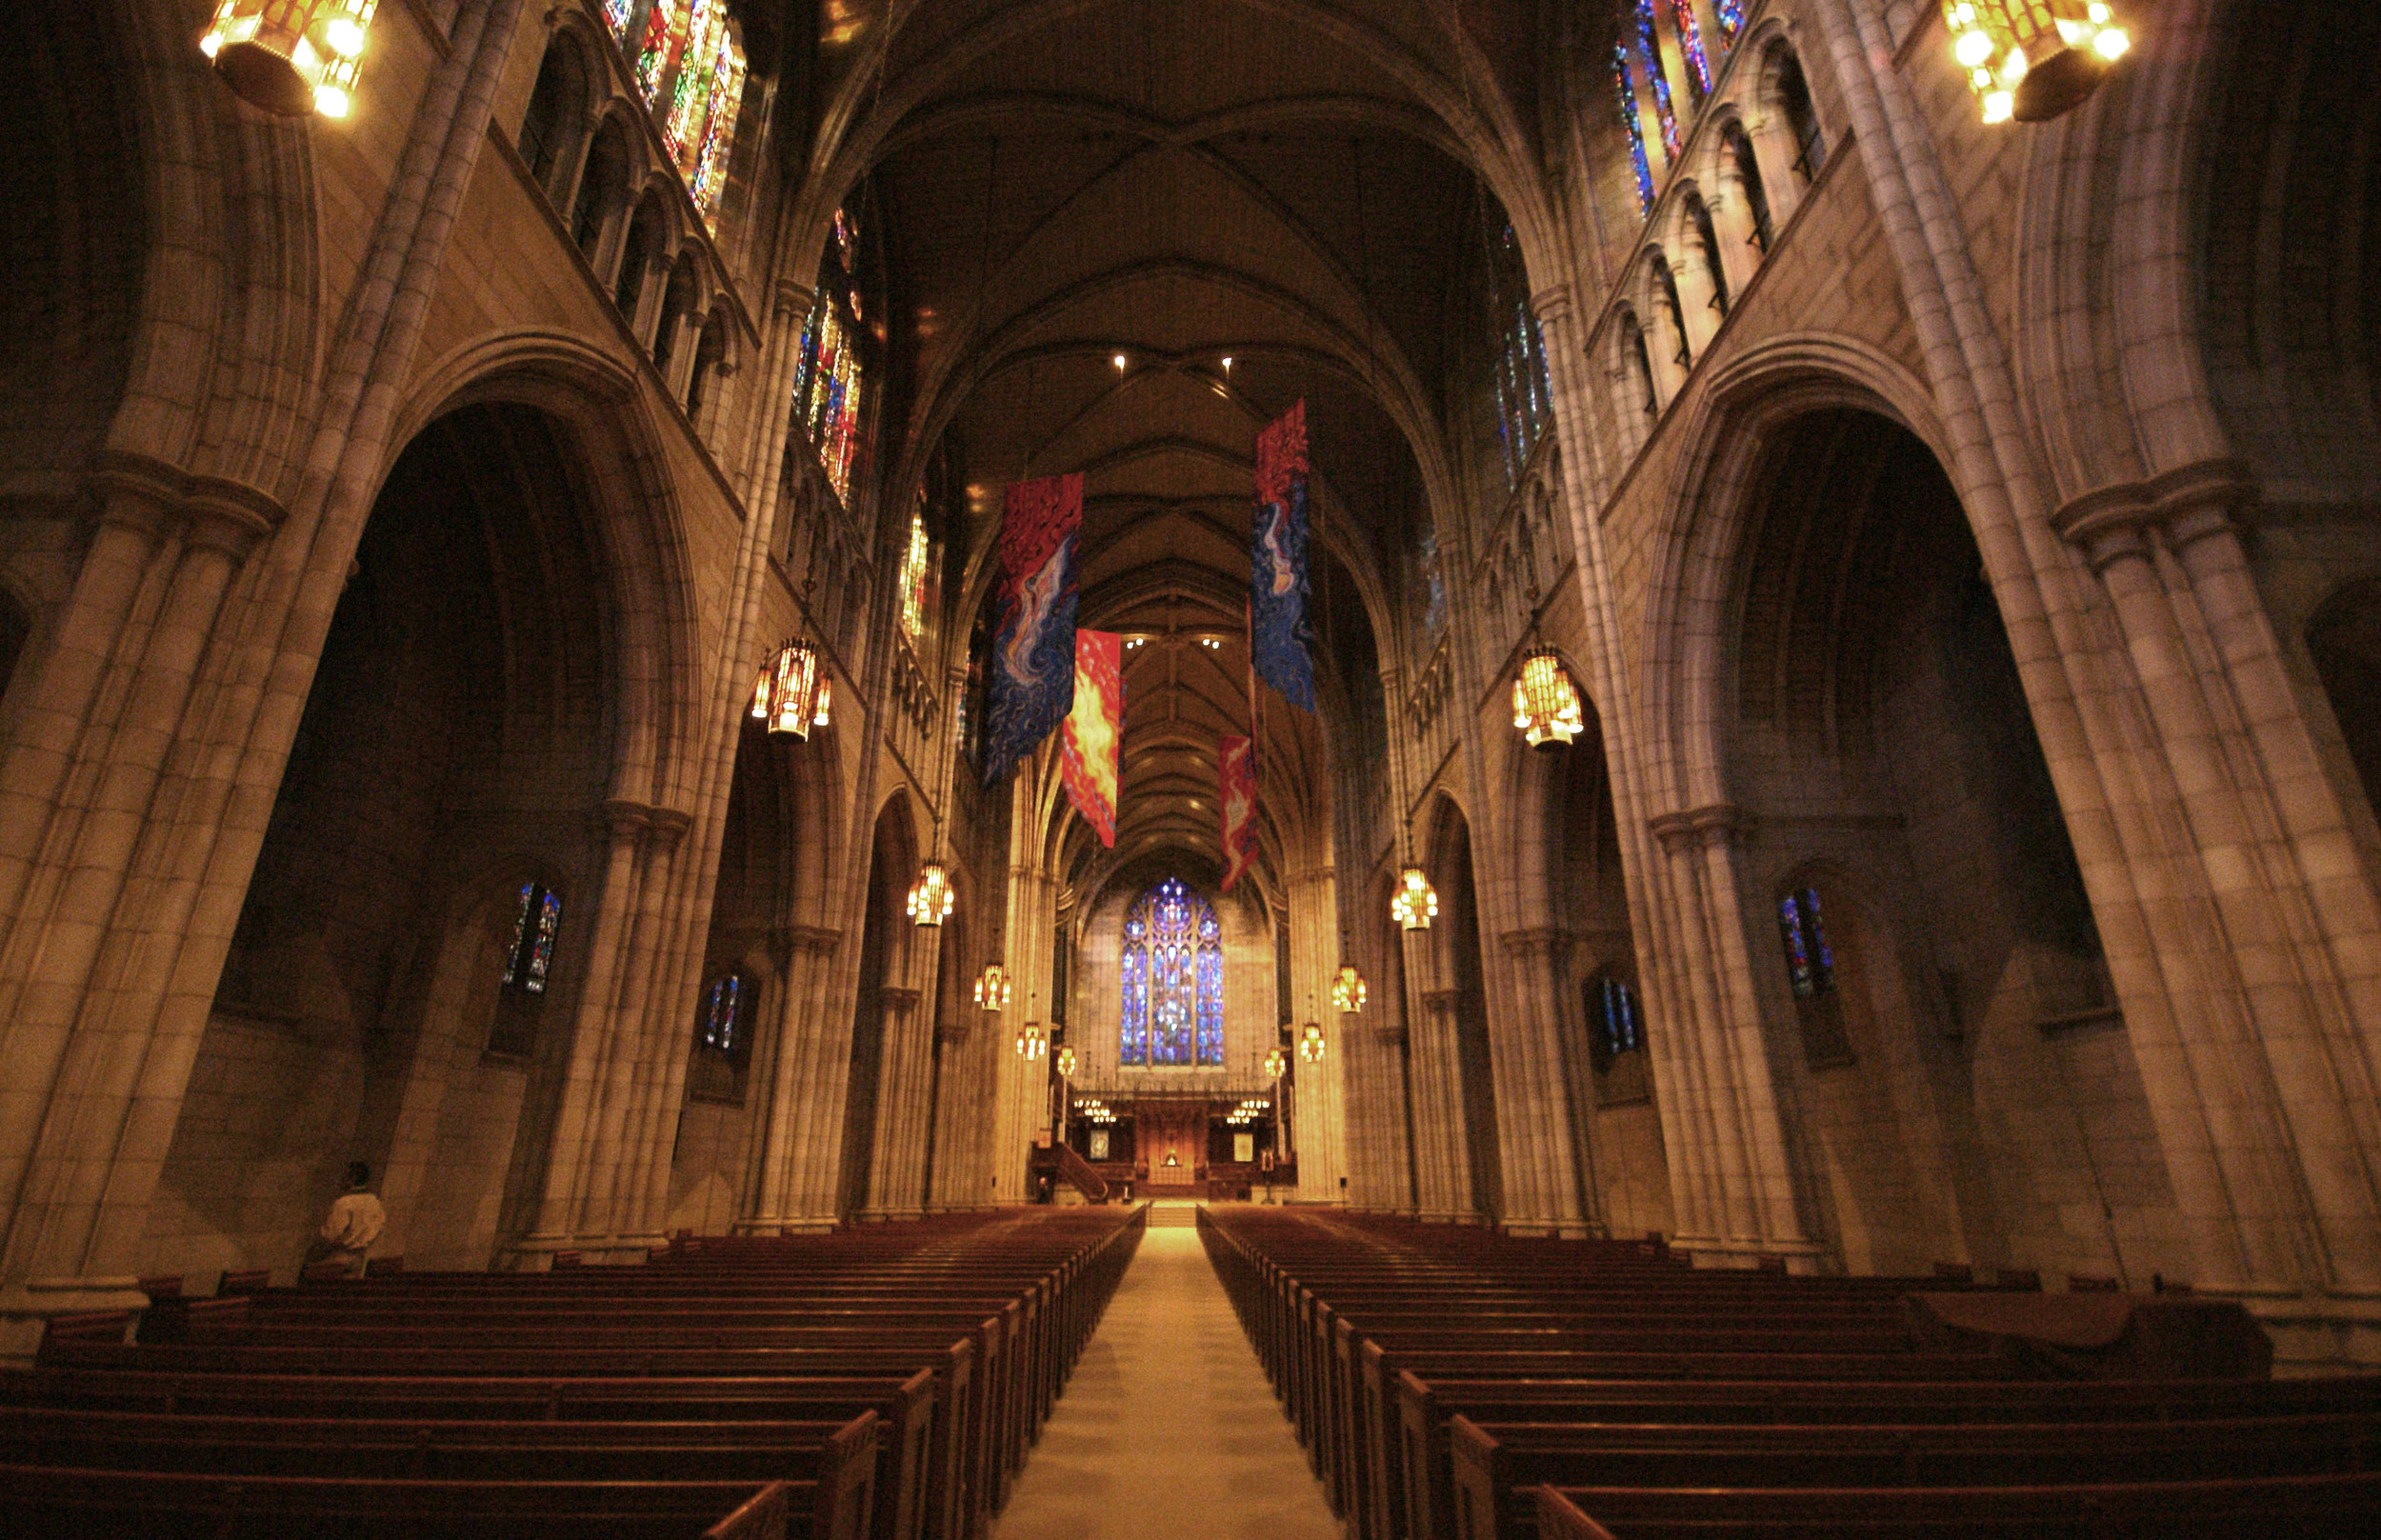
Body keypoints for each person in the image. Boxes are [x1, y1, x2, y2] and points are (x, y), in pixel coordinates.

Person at [318, 1161, 386, 1277]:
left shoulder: (343, 1203)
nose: (341, 1179)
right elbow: (379, 1228)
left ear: (352, 1178)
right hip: (363, 1258)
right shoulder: (374, 1202)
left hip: (341, 1258)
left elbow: (332, 1234)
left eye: (344, 1175)